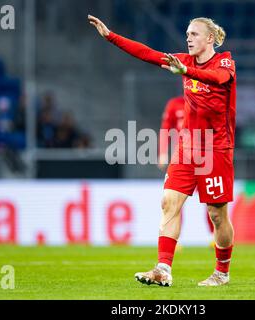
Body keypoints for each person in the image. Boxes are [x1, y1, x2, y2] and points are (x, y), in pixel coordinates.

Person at [89, 15, 236, 287]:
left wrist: (185, 72)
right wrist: (111, 36)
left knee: (217, 215)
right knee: (169, 202)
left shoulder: (224, 62)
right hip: (187, 147)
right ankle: (162, 268)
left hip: (216, 148)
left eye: (194, 34)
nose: (188, 38)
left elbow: (219, 78)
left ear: (210, 39)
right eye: (187, 34)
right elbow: (147, 53)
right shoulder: (184, 61)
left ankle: (221, 272)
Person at [159, 95, 215, 236]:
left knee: (212, 201)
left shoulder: (209, 101)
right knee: (173, 200)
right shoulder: (174, 104)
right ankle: (174, 239)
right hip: (183, 157)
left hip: (206, 156)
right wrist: (163, 152)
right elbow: (166, 128)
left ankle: (215, 237)